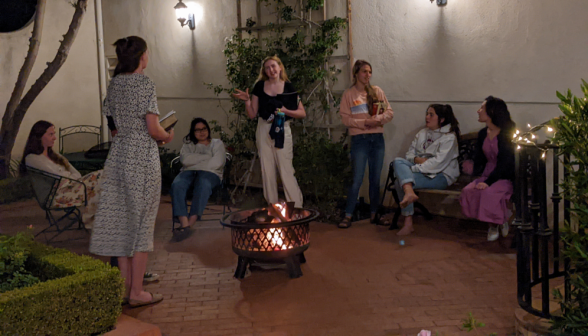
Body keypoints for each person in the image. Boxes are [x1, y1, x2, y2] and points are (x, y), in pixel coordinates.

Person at [89, 36, 174, 308]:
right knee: (141, 227)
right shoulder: (145, 84)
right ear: (141, 56)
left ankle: (125, 290)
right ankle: (137, 292)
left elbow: (113, 126)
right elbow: (152, 128)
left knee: (122, 224)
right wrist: (167, 136)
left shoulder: (114, 86)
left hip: (118, 157)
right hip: (142, 158)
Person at [231, 55, 305, 207]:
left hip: (282, 129)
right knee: (267, 169)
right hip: (264, 128)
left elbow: (302, 113)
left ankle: (296, 207)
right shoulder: (259, 86)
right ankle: (273, 206)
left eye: (273, 66)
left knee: (286, 170)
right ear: (264, 71)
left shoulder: (289, 87)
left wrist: (285, 110)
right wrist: (247, 101)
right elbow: (252, 114)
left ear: (279, 67)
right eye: (267, 67)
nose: (271, 70)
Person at [337, 59, 394, 229]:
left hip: (376, 139)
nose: (367, 75)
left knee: (375, 179)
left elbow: (389, 112)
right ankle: (348, 214)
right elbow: (345, 118)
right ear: (356, 73)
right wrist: (364, 123)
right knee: (357, 179)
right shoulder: (349, 94)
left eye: (369, 72)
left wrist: (377, 120)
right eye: (364, 72)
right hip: (360, 140)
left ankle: (374, 214)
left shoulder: (377, 91)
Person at [392, 104, 461, 235]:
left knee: (399, 182)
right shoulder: (422, 133)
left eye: (431, 114)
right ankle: (409, 193)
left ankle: (408, 222)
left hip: (441, 176)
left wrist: (412, 169)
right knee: (397, 161)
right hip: (421, 170)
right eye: (427, 113)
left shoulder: (449, 137)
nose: (427, 117)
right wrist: (417, 161)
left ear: (441, 119)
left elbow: (437, 164)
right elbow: (409, 155)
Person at [20, 120, 102, 228]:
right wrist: (70, 177)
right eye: (51, 134)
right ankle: (91, 219)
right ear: (39, 136)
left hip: (72, 188)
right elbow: (59, 176)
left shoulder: (55, 155)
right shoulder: (32, 158)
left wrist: (70, 177)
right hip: (56, 196)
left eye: (54, 134)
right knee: (101, 179)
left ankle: (93, 218)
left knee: (103, 176)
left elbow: (75, 173)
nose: (54, 137)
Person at [460, 96, 516, 242]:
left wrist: (489, 182)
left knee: (488, 193)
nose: (478, 111)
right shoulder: (483, 134)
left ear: (492, 111)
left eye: (482, 108)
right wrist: (472, 168)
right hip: (486, 174)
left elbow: (506, 163)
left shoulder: (506, 134)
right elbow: (480, 158)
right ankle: (501, 218)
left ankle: (494, 224)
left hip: (503, 176)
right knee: (469, 191)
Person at [171, 118, 226, 231]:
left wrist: (196, 161)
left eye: (204, 129)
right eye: (197, 130)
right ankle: (184, 223)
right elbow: (185, 160)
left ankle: (191, 222)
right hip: (188, 172)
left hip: (210, 173)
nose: (201, 132)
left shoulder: (217, 143)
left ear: (208, 129)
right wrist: (206, 157)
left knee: (203, 184)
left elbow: (217, 163)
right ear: (193, 132)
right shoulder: (188, 145)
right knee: (177, 184)